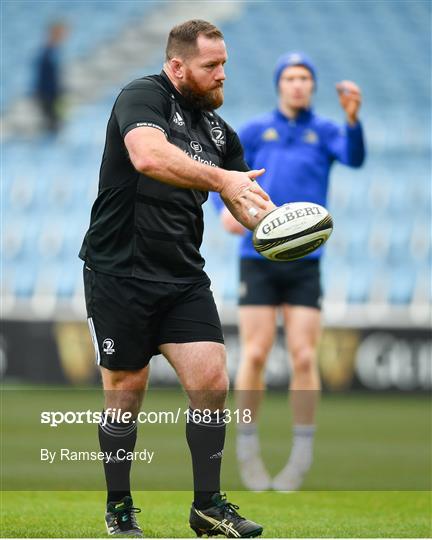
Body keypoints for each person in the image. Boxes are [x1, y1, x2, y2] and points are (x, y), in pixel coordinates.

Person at [79, 19, 275, 538]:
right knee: (126, 393)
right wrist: (223, 179)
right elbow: (147, 156)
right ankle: (119, 508)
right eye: (211, 67)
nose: (221, 76)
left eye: (225, 66)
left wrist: (278, 226)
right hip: (119, 271)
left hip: (182, 275)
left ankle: (207, 507)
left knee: (212, 384)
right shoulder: (142, 96)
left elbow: (244, 206)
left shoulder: (219, 133)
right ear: (177, 66)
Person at [211, 51, 365, 491]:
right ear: (280, 84)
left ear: (312, 86)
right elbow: (224, 174)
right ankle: (246, 449)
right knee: (255, 354)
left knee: (302, 356)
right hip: (256, 257)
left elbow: (354, 158)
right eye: (290, 78)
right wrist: (224, 208)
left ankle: (301, 453)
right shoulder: (258, 129)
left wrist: (353, 121)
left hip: (305, 261)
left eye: (304, 78)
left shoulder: (326, 130)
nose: (297, 85)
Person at [34, 22, 67, 134]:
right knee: (51, 126)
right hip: (48, 95)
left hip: (54, 95)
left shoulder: (54, 52)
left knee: (57, 125)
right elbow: (44, 79)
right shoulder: (46, 54)